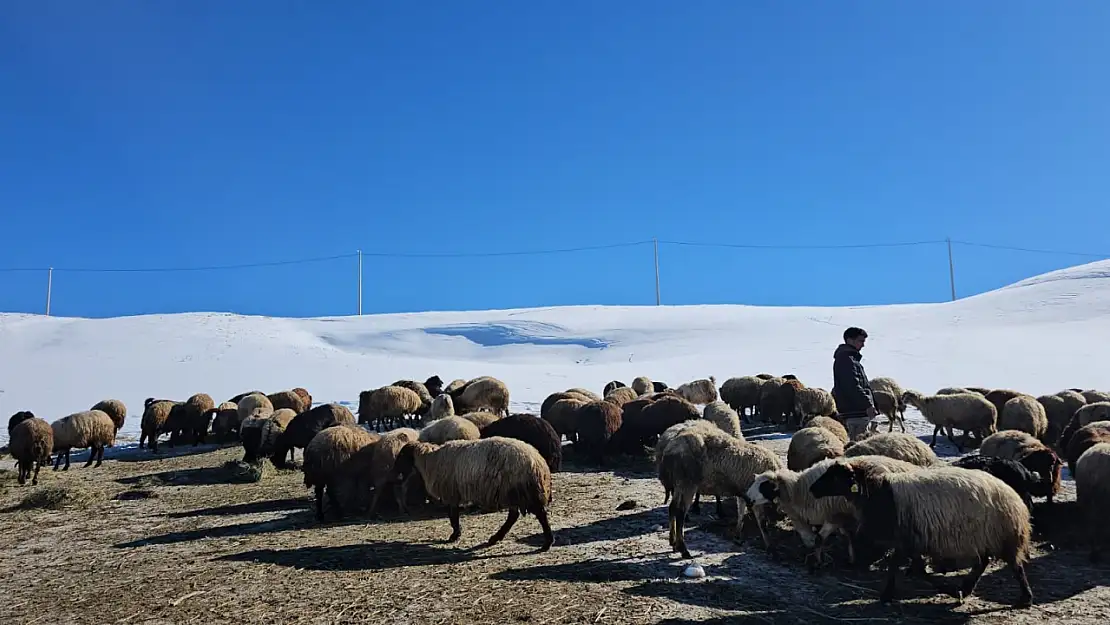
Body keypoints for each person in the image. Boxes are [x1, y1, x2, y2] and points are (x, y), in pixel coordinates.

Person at [832, 327, 877, 424]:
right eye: (860, 341)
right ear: (849, 340)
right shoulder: (846, 359)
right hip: (855, 412)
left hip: (857, 411)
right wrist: (867, 405)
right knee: (859, 438)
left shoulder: (851, 359)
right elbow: (852, 386)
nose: (863, 345)